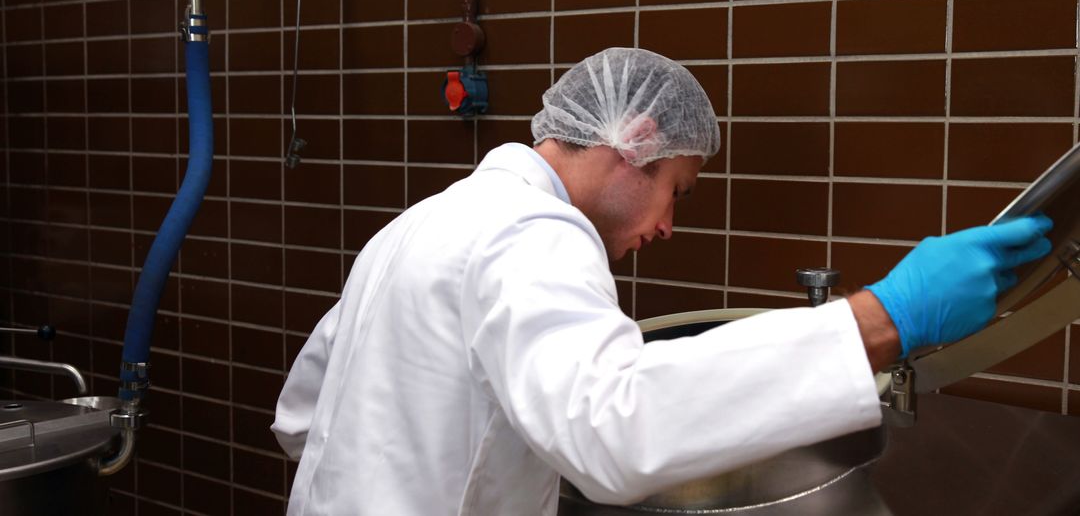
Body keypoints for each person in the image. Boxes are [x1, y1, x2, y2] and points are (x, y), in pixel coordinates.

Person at [272, 48, 1052, 515]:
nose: (668, 224)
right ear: (633, 141)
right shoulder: (533, 235)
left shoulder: (418, 226)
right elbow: (617, 428)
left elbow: (301, 415)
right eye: (675, 189)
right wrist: (883, 317)